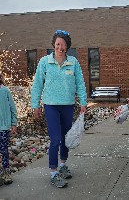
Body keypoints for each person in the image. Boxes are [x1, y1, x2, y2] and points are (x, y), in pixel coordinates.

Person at [31, 30, 87, 188]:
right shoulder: (44, 62)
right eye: (58, 44)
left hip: (68, 106)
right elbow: (37, 85)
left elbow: (80, 84)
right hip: (51, 106)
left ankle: (63, 165)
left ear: (67, 46)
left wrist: (83, 102)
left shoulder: (73, 62)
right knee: (55, 139)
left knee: (66, 138)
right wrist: (35, 104)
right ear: (53, 45)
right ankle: (53, 172)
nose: (60, 47)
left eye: (63, 44)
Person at [0, 73, 17, 186]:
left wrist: (13, 123)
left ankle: (6, 172)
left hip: (3, 127)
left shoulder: (5, 91)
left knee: (4, 150)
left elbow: (12, 107)